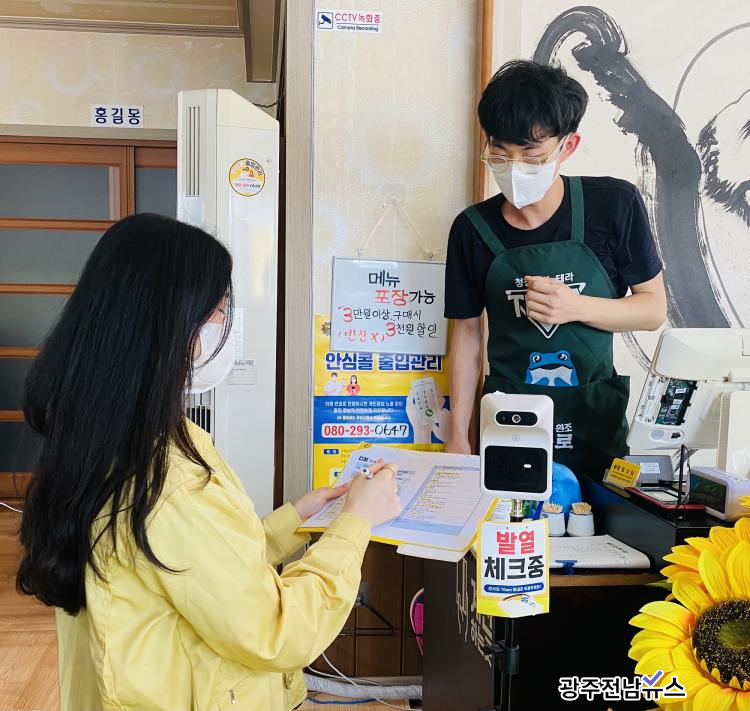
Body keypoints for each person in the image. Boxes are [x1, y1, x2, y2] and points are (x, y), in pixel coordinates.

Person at [15, 213, 401, 711]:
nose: (221, 328)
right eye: (217, 311)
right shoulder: (165, 478)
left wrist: (296, 518)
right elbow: (277, 630)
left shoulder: (103, 437)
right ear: (169, 322)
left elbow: (197, 565)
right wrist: (355, 523)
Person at [443, 60, 667, 479]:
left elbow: (653, 310)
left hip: (593, 419)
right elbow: (468, 336)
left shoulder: (613, 205)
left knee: (596, 515)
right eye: (500, 153)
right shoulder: (472, 230)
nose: (514, 168)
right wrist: (458, 435)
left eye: (531, 155)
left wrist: (575, 306)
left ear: (568, 146)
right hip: (510, 419)